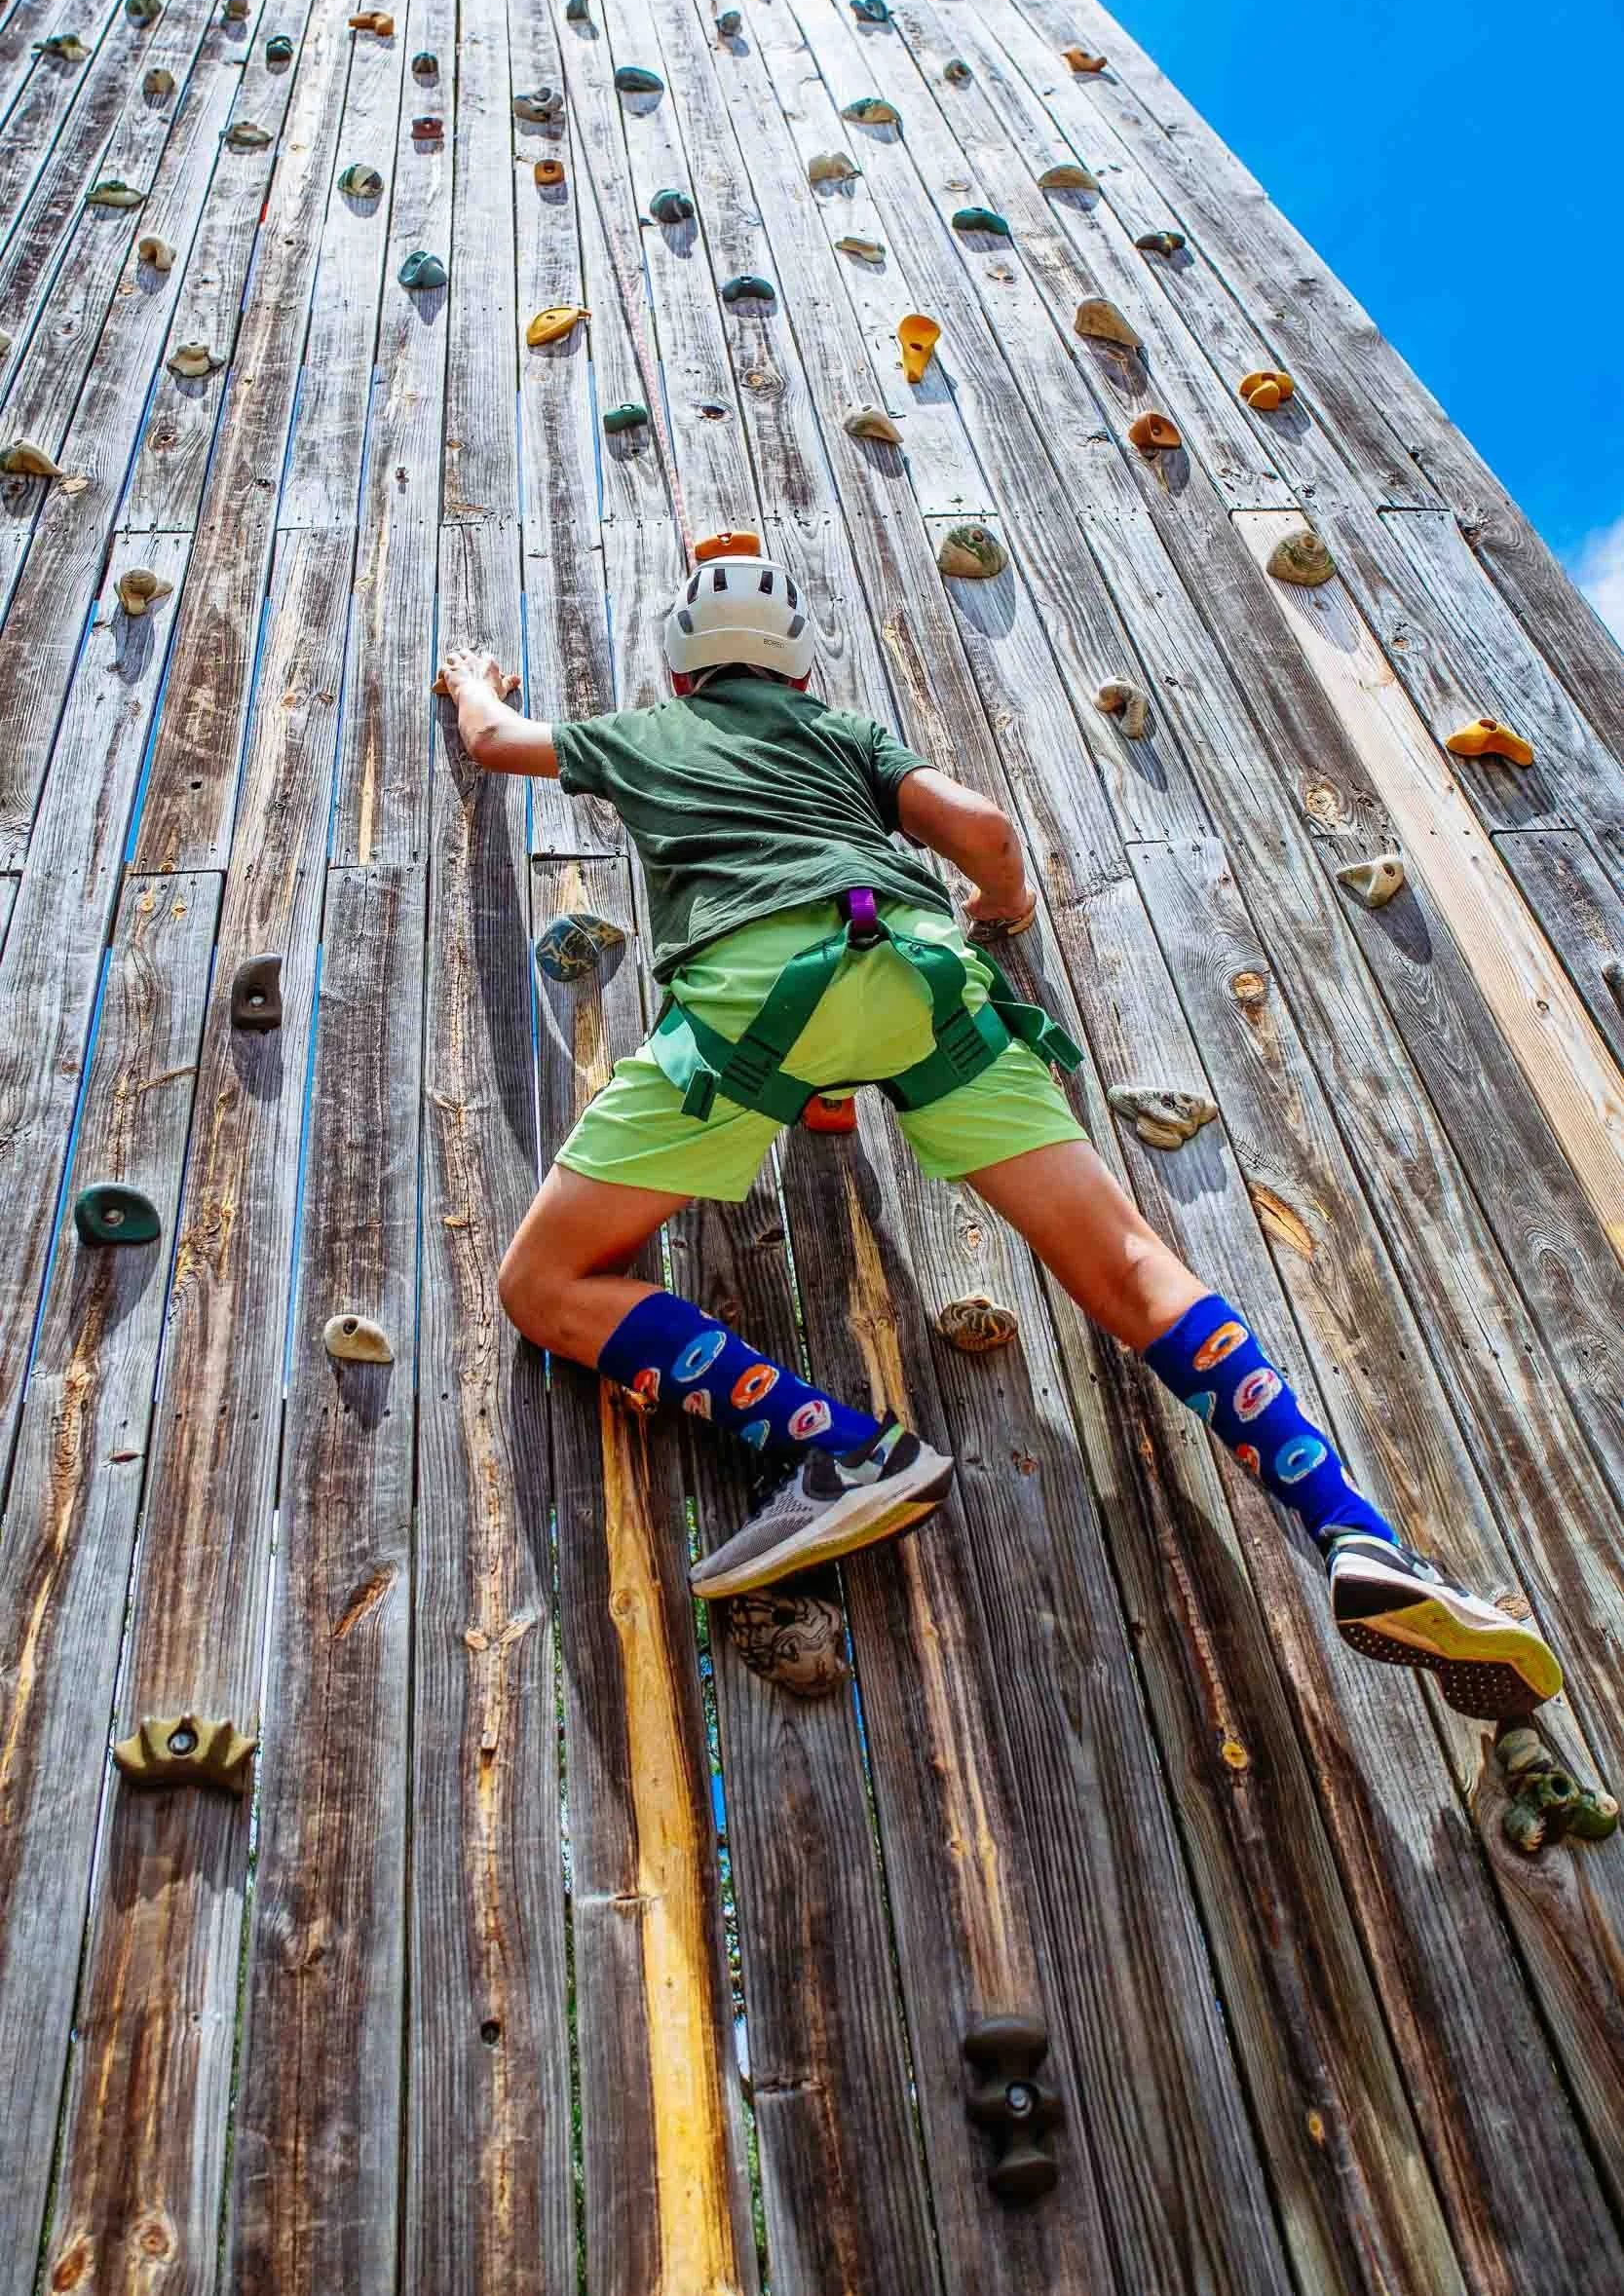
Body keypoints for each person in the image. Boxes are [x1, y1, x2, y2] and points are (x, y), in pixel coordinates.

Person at [435, 544, 1561, 1722]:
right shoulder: (844, 736)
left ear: (680, 675)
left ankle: (832, 1445)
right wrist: (1003, 909)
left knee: (544, 1284)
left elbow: (499, 743)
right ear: (801, 673)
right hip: (920, 976)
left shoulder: (645, 734)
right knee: (1128, 1263)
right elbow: (979, 825)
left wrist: (472, 683)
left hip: (749, 1004)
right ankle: (1351, 1530)